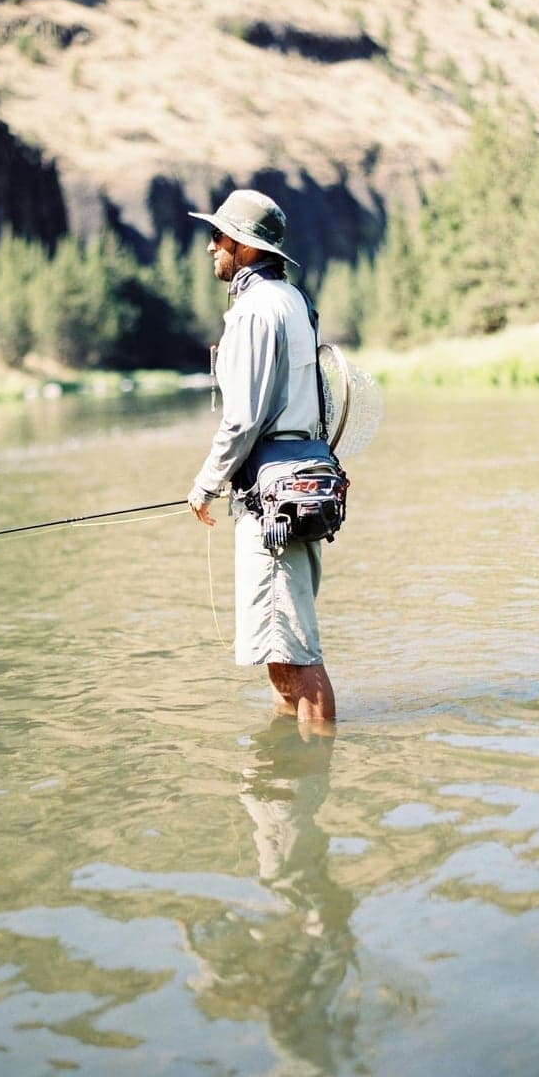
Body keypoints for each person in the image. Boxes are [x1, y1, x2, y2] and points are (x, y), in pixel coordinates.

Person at [187, 189, 336, 724]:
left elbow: (244, 417)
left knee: (295, 653)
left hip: (273, 503)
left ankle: (307, 789)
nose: (210, 249)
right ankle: (286, 779)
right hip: (299, 485)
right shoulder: (294, 301)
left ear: (244, 248)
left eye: (218, 237)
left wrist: (206, 482)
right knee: (282, 650)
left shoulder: (254, 311)